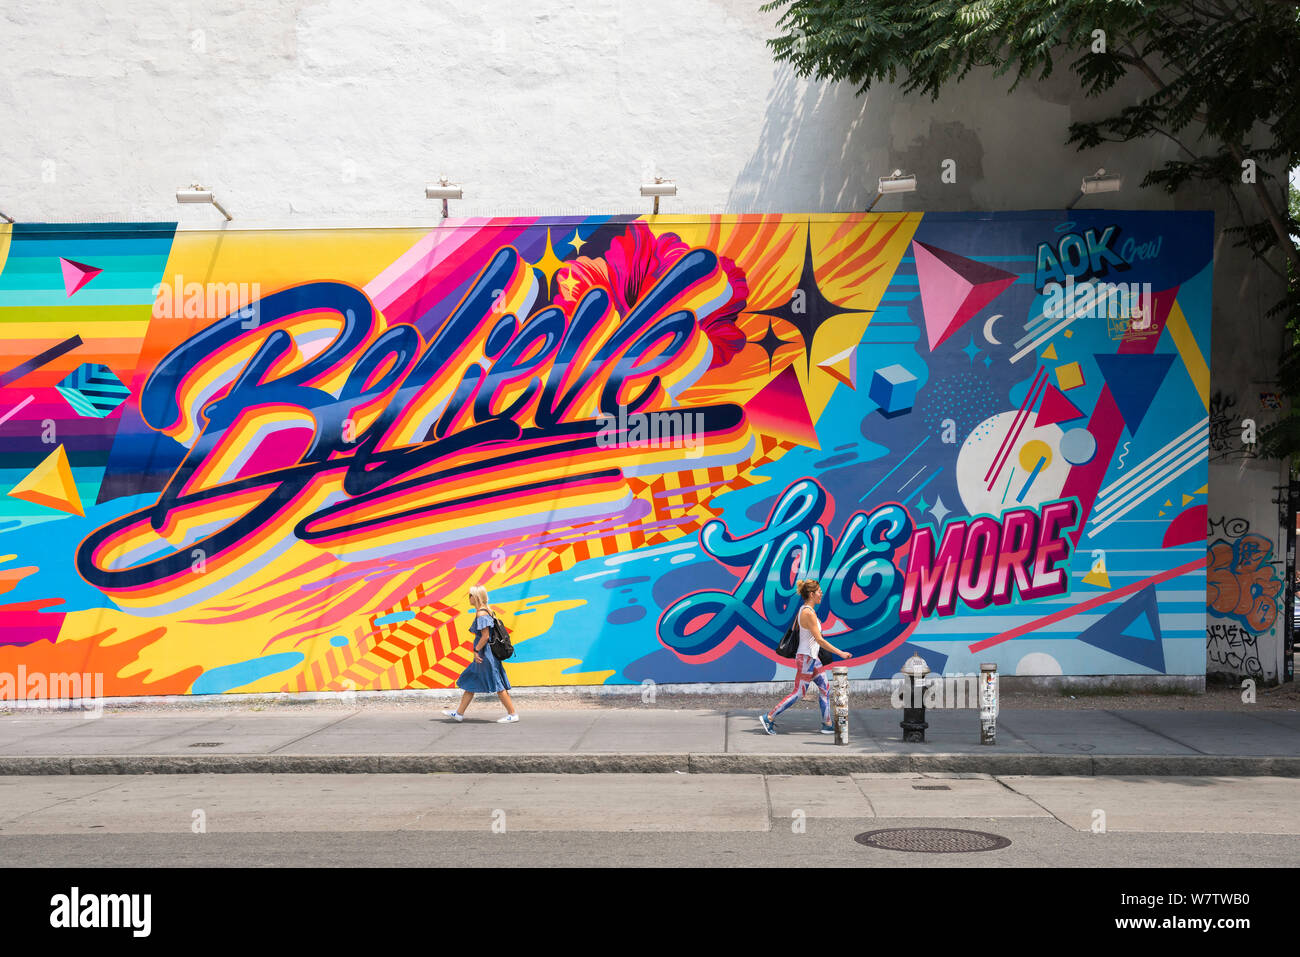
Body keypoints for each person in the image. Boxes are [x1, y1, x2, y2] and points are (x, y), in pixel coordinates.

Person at [759, 578, 850, 735]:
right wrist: (840, 653)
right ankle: (769, 717)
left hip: (812, 659)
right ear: (812, 594)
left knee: (825, 688)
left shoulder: (807, 610)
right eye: (819, 592)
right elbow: (819, 640)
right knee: (799, 692)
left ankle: (827, 724)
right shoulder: (808, 613)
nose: (822, 594)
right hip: (807, 659)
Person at [442, 585, 519, 723]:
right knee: (471, 680)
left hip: (485, 655)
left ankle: (512, 714)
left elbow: (485, 636)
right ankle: (459, 713)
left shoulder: (481, 613)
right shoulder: (487, 610)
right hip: (484, 655)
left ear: (475, 597)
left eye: (470, 595)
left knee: (497, 683)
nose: (468, 598)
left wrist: (476, 650)